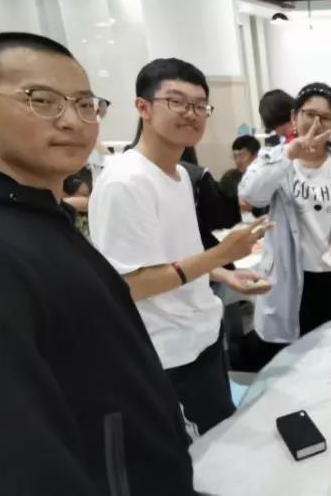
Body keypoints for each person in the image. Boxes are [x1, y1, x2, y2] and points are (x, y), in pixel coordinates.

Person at [0, 32, 197, 494]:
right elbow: (17, 457)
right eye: (41, 100)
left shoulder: (39, 217)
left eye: (85, 104)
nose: (72, 121)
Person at [89, 58, 269, 434]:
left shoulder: (180, 175)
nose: (191, 113)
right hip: (168, 356)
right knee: (198, 457)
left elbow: (173, 256)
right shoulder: (125, 181)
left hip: (202, 336)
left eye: (199, 105)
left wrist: (223, 274)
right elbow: (132, 284)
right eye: (176, 101)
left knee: (221, 442)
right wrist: (223, 254)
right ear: (142, 107)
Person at [238, 82, 331, 371]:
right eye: (309, 114)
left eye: (325, 118)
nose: (316, 123)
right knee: (291, 367)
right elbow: (251, 195)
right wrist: (289, 154)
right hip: (289, 280)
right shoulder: (273, 160)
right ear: (294, 117)